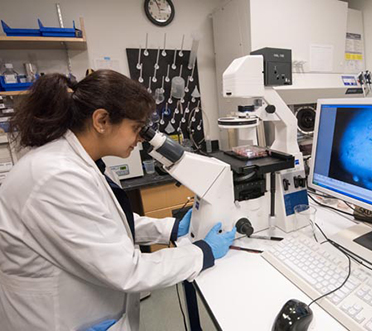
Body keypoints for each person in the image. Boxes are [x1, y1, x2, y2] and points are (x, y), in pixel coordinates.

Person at [0, 70, 236, 331]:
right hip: (56, 320)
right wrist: (201, 253)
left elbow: (103, 223)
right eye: (136, 128)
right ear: (101, 120)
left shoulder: (82, 162)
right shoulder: (55, 177)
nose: (140, 139)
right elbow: (128, 270)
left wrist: (169, 228)